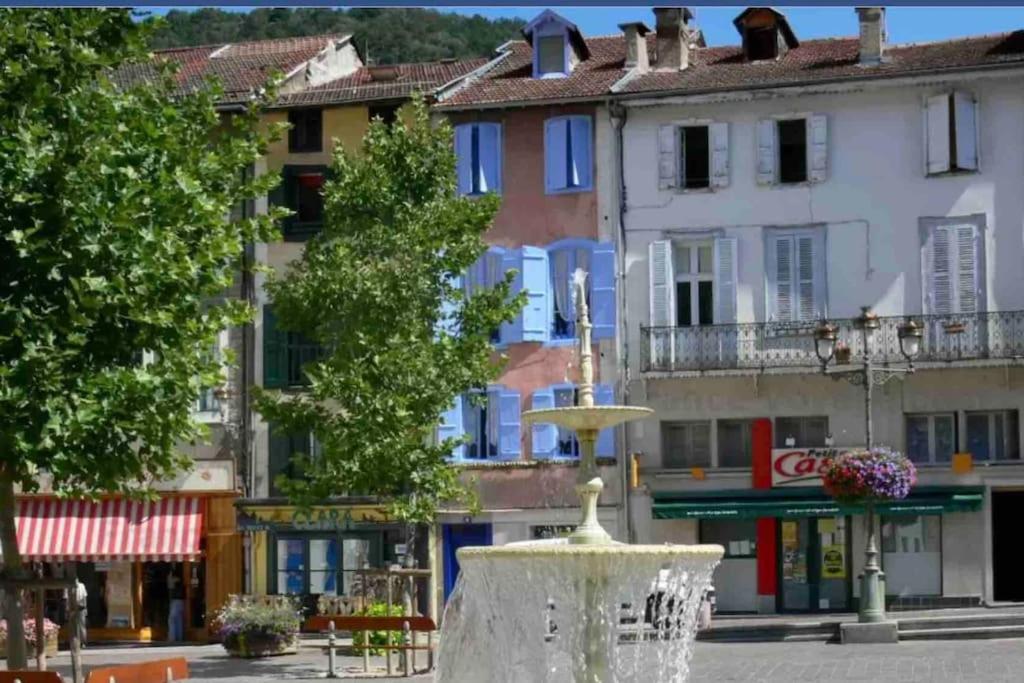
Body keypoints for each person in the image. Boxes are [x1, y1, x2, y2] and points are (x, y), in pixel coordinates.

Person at [68, 577, 88, 648]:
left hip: (75, 608)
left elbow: (66, 599)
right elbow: (85, 597)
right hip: (78, 608)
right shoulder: (81, 585)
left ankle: (79, 642)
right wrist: (85, 608)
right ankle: (82, 642)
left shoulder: (69, 586)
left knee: (76, 626)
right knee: (80, 626)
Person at [167, 569, 185, 642]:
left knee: (172, 619)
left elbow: (171, 588)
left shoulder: (174, 582)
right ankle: (179, 637)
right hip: (181, 601)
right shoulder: (181, 583)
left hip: (175, 601)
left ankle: (172, 637)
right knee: (179, 620)